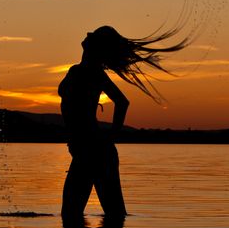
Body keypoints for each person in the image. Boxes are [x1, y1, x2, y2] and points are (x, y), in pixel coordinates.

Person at [58, 26, 187, 218]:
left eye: (92, 36)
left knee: (101, 214)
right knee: (80, 216)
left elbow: (122, 102)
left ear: (95, 47)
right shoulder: (78, 70)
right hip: (86, 150)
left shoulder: (93, 73)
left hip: (93, 151)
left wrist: (111, 137)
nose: (86, 36)